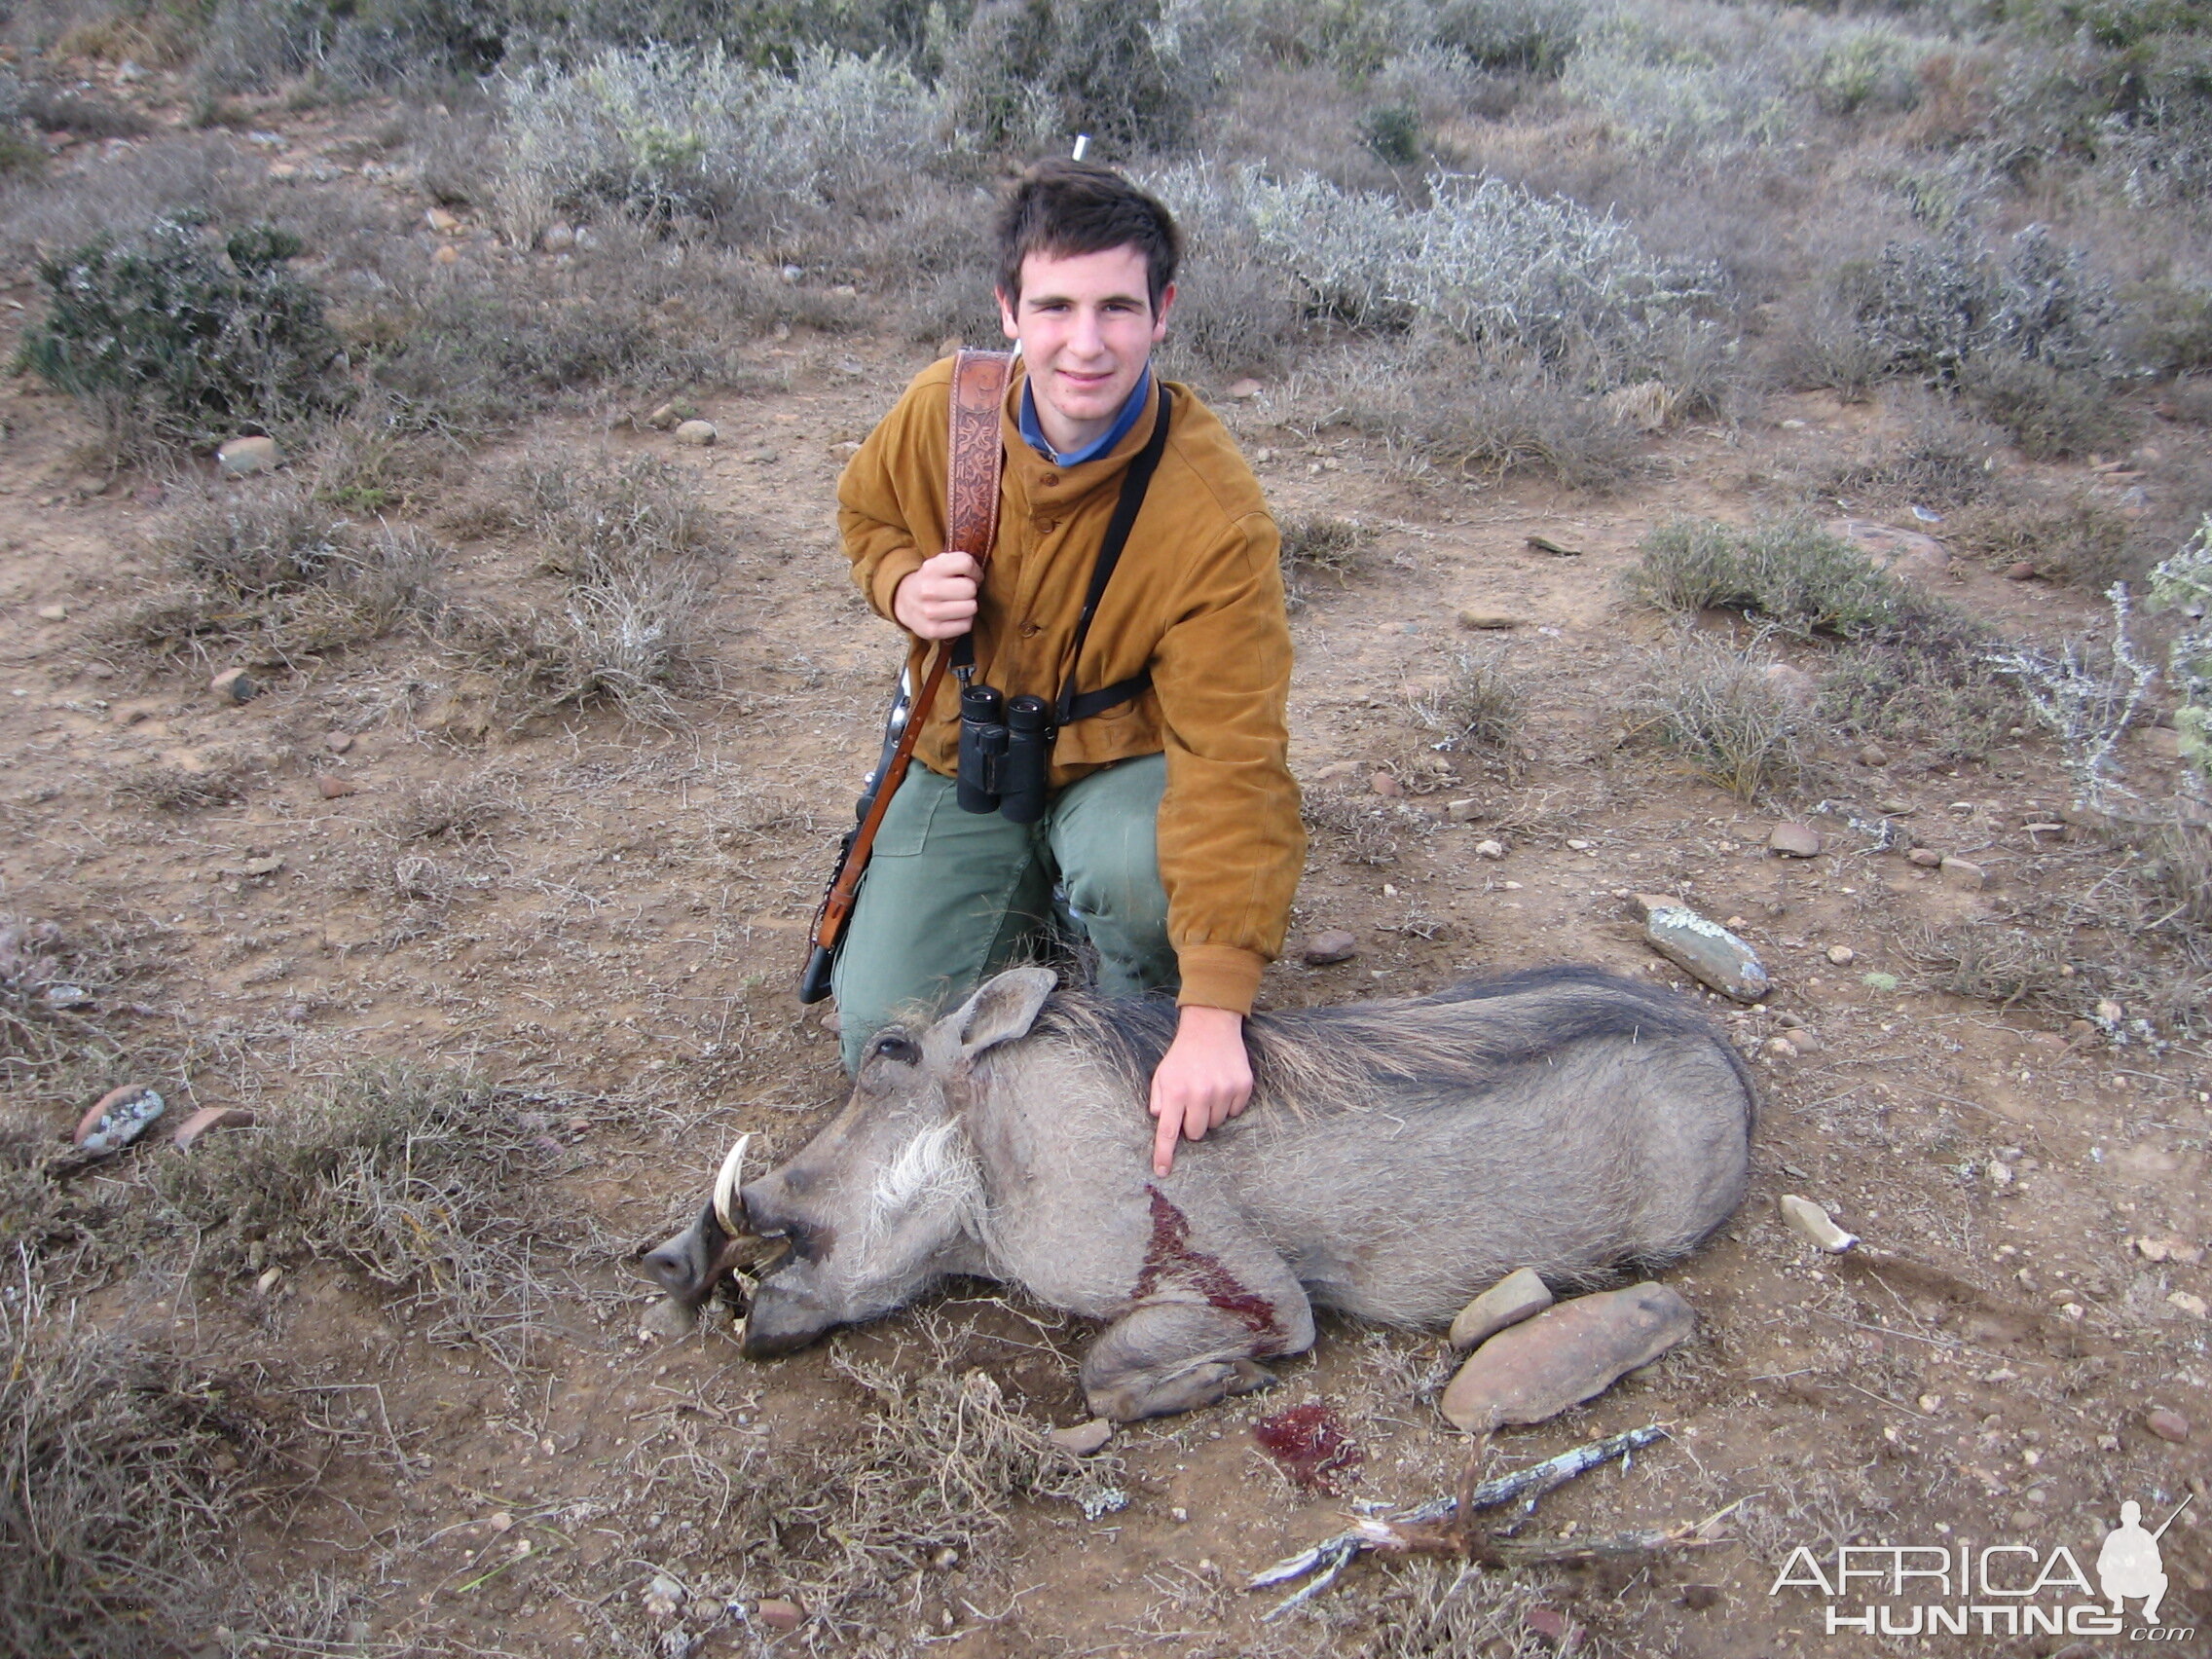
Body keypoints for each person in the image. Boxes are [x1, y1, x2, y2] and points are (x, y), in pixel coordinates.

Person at [831, 158, 1302, 1176]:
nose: (1084, 343)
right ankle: (1031, 899)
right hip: (967, 758)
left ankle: (1138, 970)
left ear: (1163, 311)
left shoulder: (1215, 514)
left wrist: (1216, 1013)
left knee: (1138, 874)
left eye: (1116, 308)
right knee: (877, 1034)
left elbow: (1236, 760)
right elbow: (865, 512)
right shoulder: (941, 414)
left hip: (1120, 769)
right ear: (1007, 308)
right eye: (1052, 306)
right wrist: (901, 584)